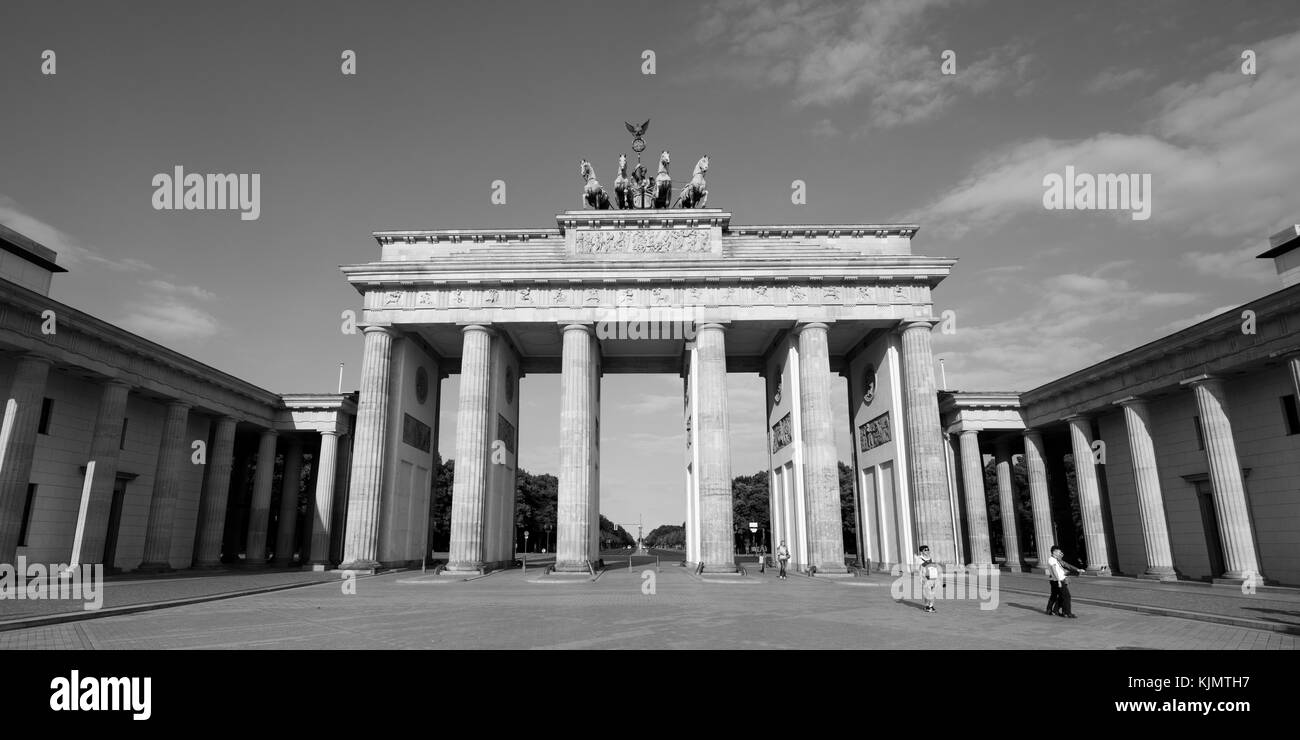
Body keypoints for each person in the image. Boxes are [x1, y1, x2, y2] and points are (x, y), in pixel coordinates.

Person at [1046, 545, 1082, 618]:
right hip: (1057, 580)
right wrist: (1059, 581)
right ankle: (1067, 613)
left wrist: (1077, 570)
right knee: (1066, 596)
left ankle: (1055, 610)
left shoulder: (1056, 559)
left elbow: (1065, 565)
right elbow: (1054, 570)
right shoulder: (1052, 560)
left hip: (1059, 580)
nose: (1060, 553)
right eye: (1059, 552)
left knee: (1060, 596)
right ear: (1054, 552)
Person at [916, 545, 941, 613]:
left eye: (928, 549)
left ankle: (931, 606)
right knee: (927, 593)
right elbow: (919, 570)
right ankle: (927, 606)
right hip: (925, 578)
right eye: (925, 550)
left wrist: (938, 577)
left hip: (933, 577)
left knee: (933, 592)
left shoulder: (931, 558)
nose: (927, 551)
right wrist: (921, 578)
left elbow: (935, 567)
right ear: (921, 551)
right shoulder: (919, 559)